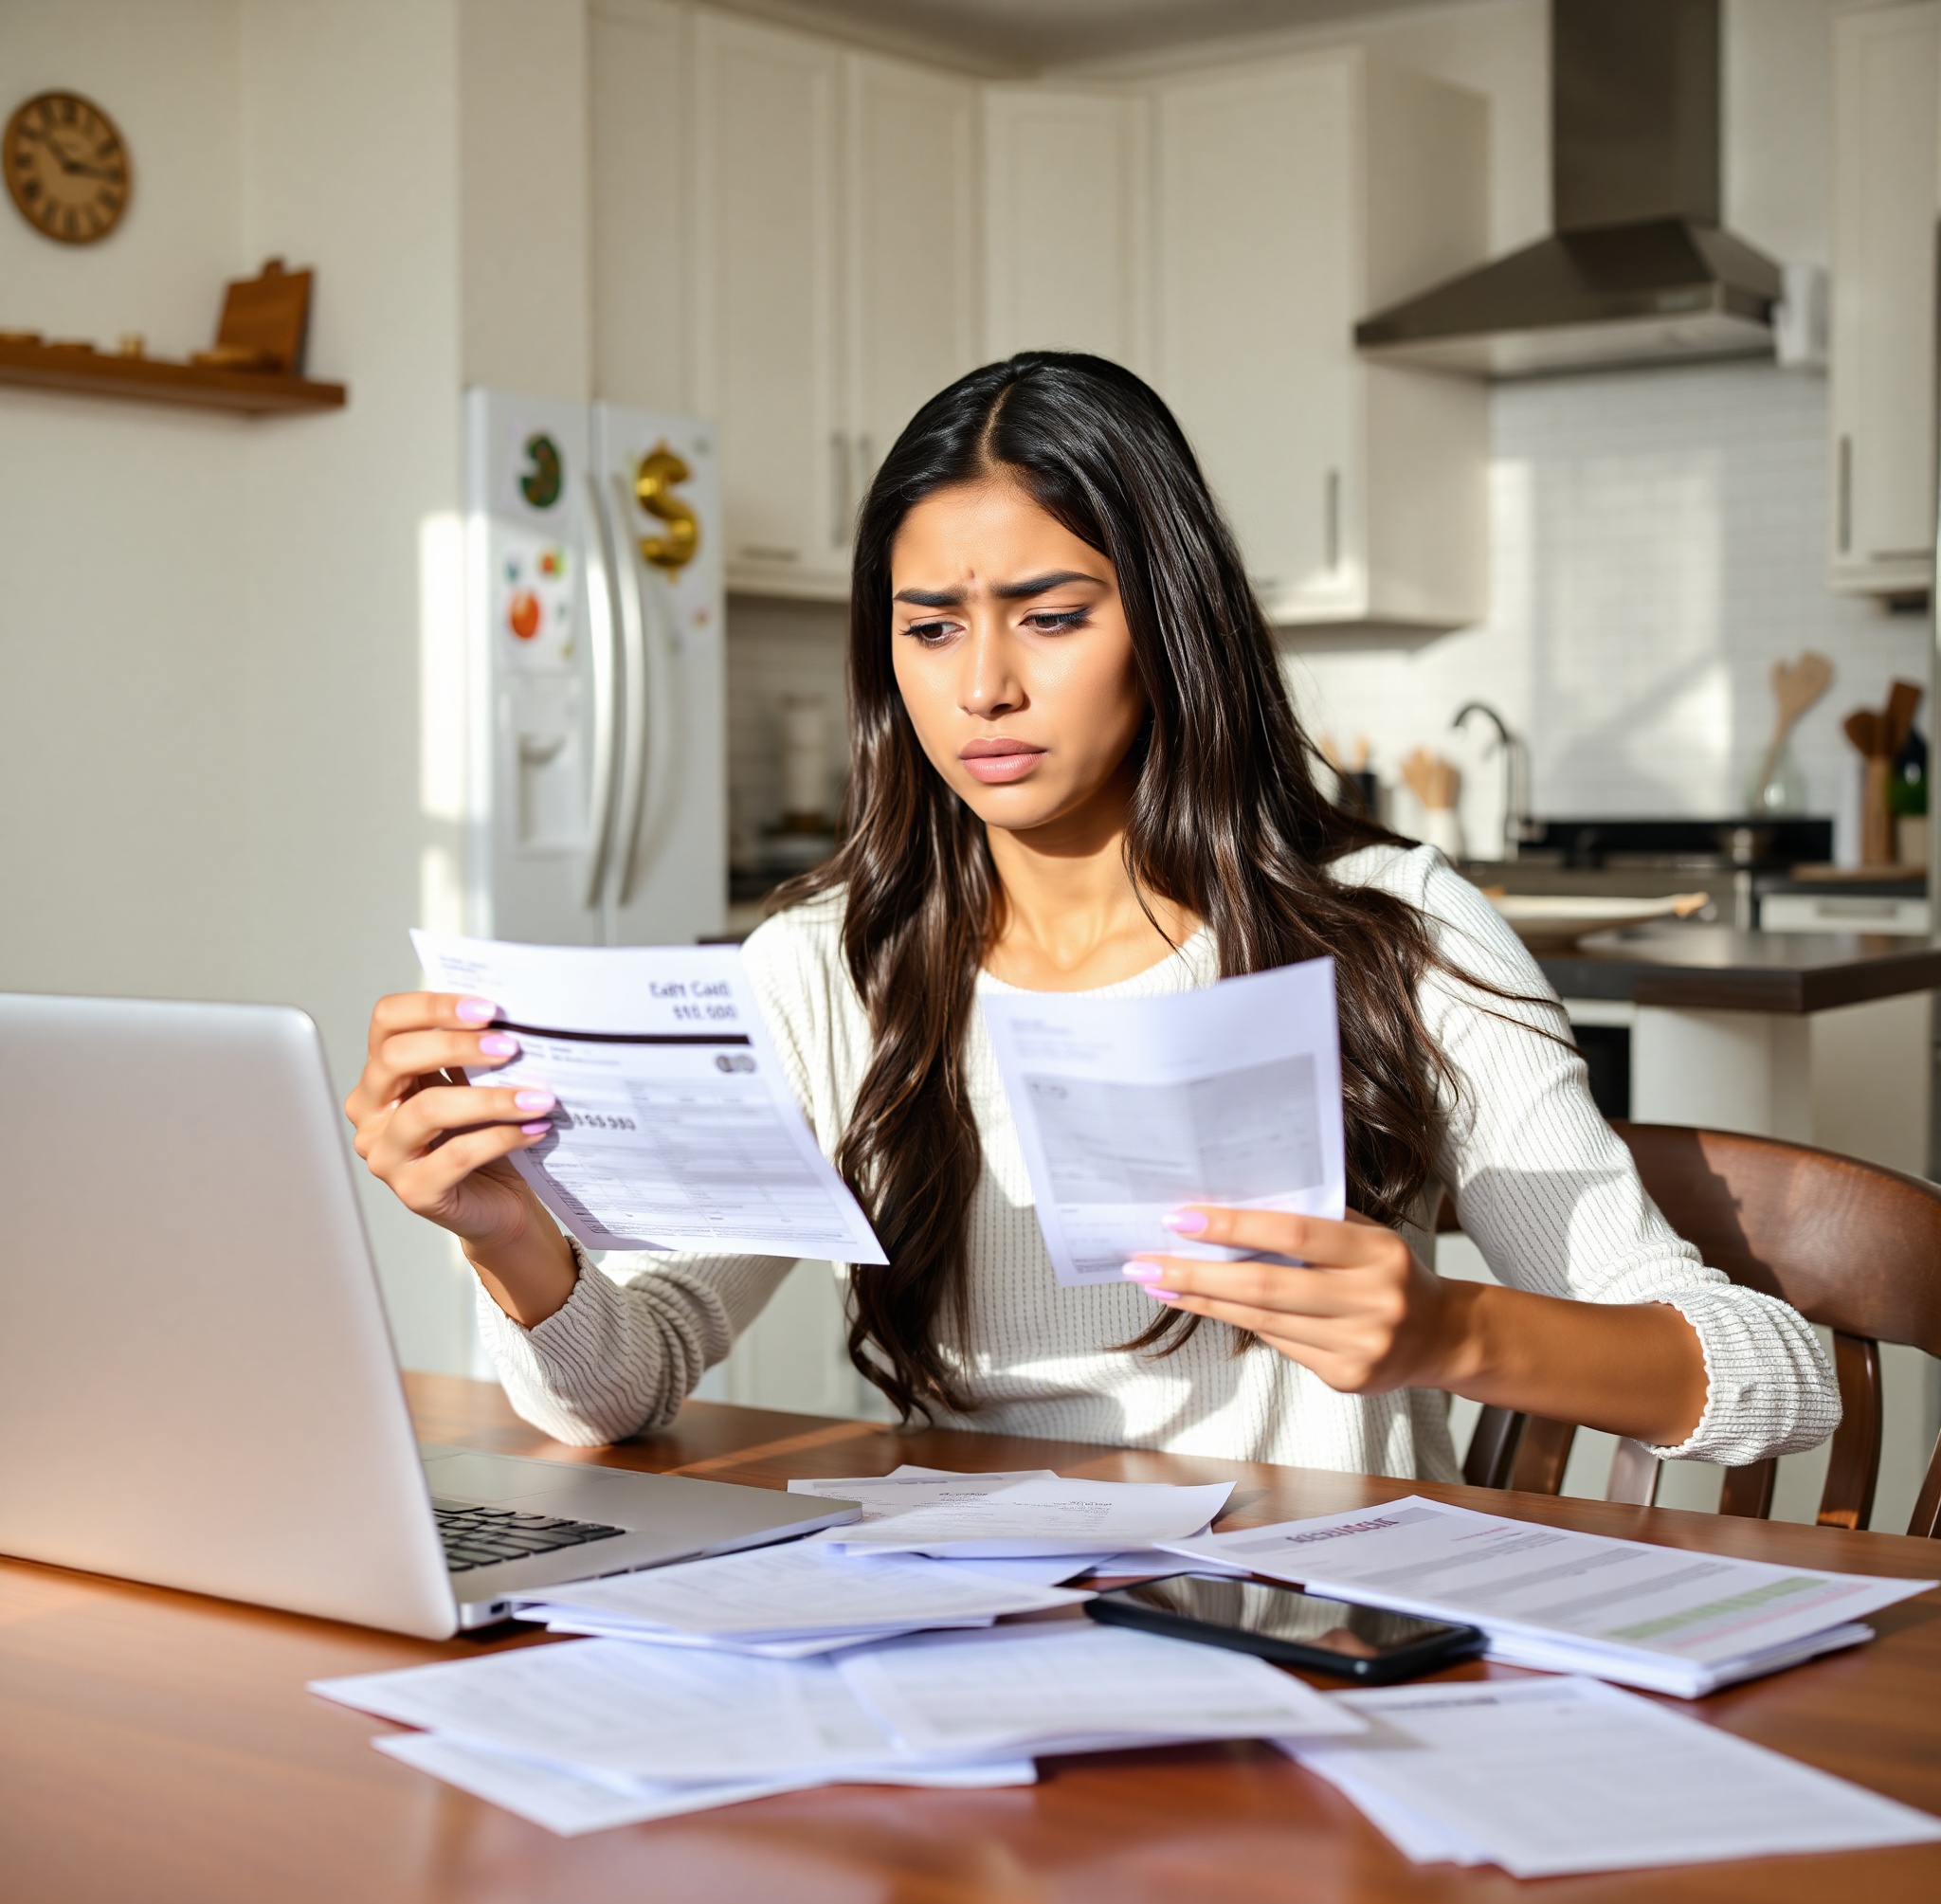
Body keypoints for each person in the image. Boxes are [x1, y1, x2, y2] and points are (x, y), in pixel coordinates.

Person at [345, 353, 1836, 1478]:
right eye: (932, 629)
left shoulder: (1390, 934)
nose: (983, 686)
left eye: (1052, 618)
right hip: (962, 1644)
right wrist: (508, 1236)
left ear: (1170, 626)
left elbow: (1777, 1378)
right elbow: (625, 1386)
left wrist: (1453, 1334)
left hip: (1302, 1641)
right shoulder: (829, 964)